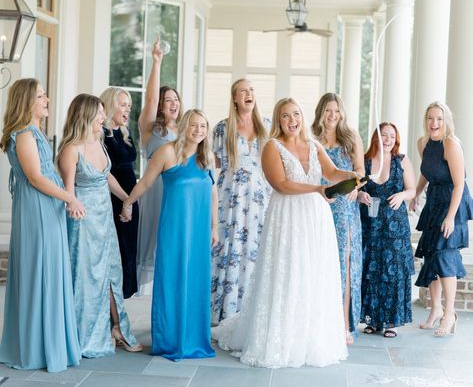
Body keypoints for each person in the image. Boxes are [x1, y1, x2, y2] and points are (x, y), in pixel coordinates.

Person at [213, 98, 361, 369]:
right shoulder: (272, 147)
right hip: (288, 217)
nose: (292, 120)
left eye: (295, 114)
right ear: (278, 120)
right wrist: (317, 189)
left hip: (316, 218)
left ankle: (309, 338)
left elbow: (331, 172)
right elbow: (280, 184)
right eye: (285, 116)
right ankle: (281, 338)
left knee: (312, 274)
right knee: (289, 272)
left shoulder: (314, 145)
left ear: (302, 117)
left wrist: (350, 174)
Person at [0, 79, 83, 372]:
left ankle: (49, 342)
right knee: (40, 271)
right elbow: (35, 177)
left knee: (50, 270)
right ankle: (37, 348)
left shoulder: (34, 132)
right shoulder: (23, 134)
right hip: (37, 208)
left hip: (47, 206)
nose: (47, 99)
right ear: (27, 102)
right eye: (40, 95)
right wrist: (69, 198)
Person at [121, 109, 217, 361]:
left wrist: (215, 227)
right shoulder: (167, 152)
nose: (198, 130)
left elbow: (213, 194)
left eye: (203, 126)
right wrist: (128, 202)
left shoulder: (206, 156)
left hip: (199, 229)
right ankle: (170, 338)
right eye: (194, 125)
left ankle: (194, 337)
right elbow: (146, 182)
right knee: (173, 278)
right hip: (175, 228)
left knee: (195, 280)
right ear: (185, 125)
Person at [58, 94, 142, 357]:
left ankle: (118, 328)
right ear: (85, 116)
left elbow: (107, 179)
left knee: (111, 274)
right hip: (83, 223)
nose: (103, 118)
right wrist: (74, 207)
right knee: (86, 279)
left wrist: (127, 200)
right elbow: (68, 193)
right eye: (98, 113)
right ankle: (84, 335)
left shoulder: (99, 143)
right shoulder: (71, 149)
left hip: (104, 219)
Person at [211, 78, 271, 324]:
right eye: (243, 91)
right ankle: (224, 312)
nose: (249, 94)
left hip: (259, 200)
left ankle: (250, 315)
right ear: (235, 98)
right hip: (230, 197)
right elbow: (213, 167)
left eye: (252, 90)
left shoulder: (267, 126)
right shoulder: (222, 129)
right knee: (229, 248)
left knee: (255, 250)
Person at [410, 102, 473, 336]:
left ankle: (450, 314)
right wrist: (416, 193)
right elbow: (427, 172)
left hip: (452, 202)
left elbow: (459, 185)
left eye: (438, 118)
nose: (434, 123)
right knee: (431, 254)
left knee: (445, 255)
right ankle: (436, 309)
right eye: (430, 118)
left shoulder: (451, 144)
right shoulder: (423, 143)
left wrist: (450, 217)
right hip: (434, 200)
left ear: (446, 120)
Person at [312, 92, 364, 344]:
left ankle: (343, 325)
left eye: (337, 111)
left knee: (343, 263)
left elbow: (360, 170)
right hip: (318, 203)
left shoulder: (350, 138)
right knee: (319, 261)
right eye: (328, 110)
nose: (332, 116)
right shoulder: (311, 137)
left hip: (344, 207)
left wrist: (355, 186)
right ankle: (318, 322)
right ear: (320, 111)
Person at [358, 123, 415, 337]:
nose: (388, 139)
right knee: (371, 271)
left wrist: (402, 195)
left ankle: (391, 321)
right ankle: (372, 319)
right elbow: (358, 187)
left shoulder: (401, 161)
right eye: (384, 135)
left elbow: (411, 190)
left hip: (395, 228)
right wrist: (362, 195)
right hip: (371, 225)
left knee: (392, 273)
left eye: (392, 136)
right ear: (376, 138)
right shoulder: (364, 161)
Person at [136, 39, 181, 294]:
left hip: (177, 193)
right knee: (154, 239)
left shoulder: (183, 129)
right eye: (167, 100)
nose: (173, 103)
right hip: (154, 190)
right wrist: (156, 62)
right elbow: (151, 97)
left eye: (176, 99)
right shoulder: (151, 128)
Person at [100, 87, 138, 299]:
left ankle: (120, 308)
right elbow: (105, 174)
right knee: (116, 252)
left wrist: (131, 201)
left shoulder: (125, 133)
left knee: (128, 252)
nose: (127, 110)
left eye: (129, 106)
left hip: (130, 201)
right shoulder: (100, 135)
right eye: (122, 105)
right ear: (109, 105)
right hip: (114, 200)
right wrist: (126, 200)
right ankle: (111, 310)